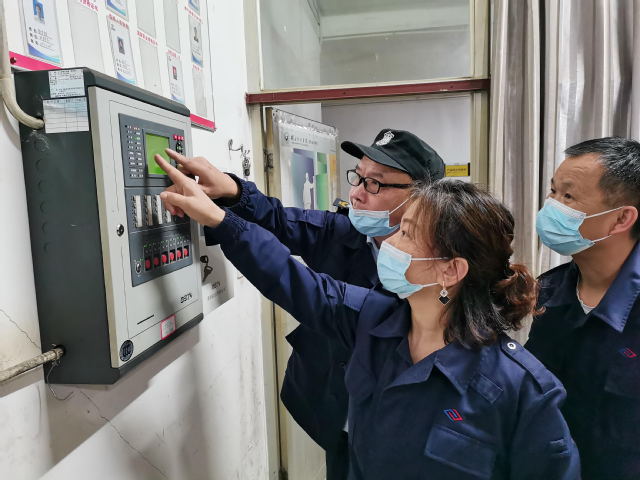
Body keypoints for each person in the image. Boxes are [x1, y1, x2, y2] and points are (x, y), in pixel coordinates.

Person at [155, 153, 581, 479]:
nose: (389, 242)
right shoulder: (374, 320)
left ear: (450, 270)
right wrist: (220, 217)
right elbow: (290, 279)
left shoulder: (521, 391)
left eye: (407, 234)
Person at [160, 129, 445, 479]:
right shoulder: (348, 233)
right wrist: (233, 191)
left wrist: (222, 222)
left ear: (420, 198)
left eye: (375, 184)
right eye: (358, 176)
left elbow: (306, 289)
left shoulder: (435, 275)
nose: (356, 193)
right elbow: (280, 220)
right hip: (339, 420)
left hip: (398, 438)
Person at [526, 137, 640, 480]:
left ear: (621, 218)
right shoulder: (548, 292)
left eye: (568, 197)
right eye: (553, 191)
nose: (551, 206)